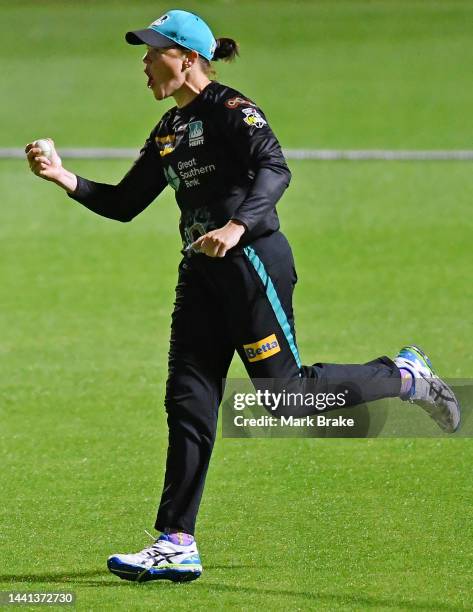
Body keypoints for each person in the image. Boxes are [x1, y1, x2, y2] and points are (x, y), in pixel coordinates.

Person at [25, 9, 460, 584]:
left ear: (186, 58)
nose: (144, 63)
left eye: (153, 51)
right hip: (200, 275)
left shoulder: (232, 110)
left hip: (249, 263)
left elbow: (274, 168)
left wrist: (237, 228)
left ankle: (404, 376)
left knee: (283, 398)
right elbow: (125, 203)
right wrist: (62, 175)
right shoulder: (168, 131)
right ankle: (176, 540)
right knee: (188, 398)